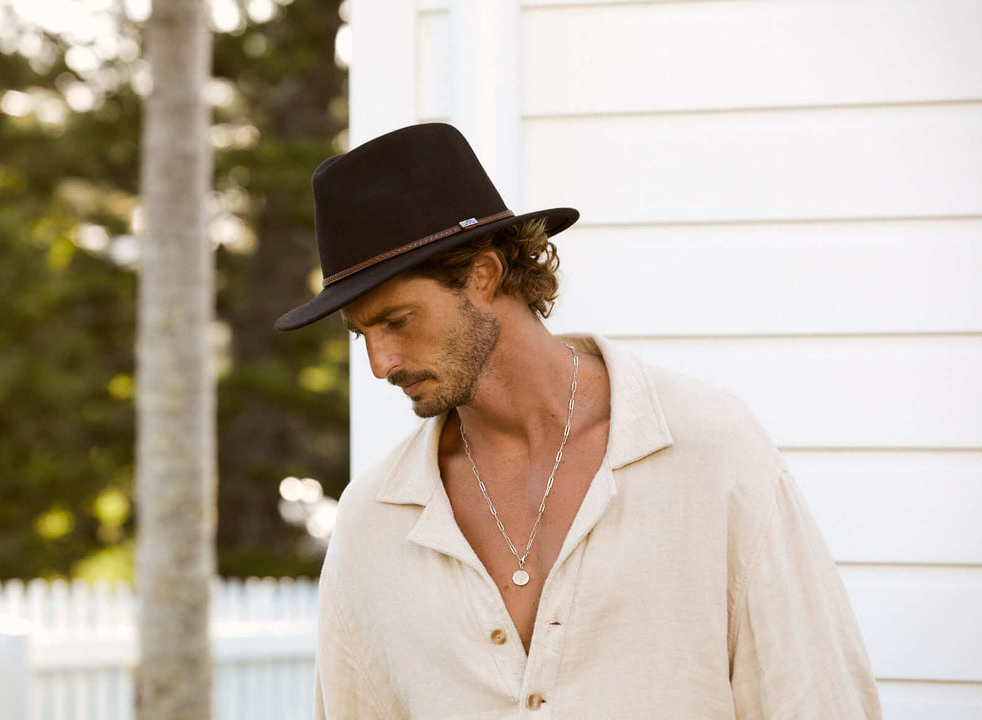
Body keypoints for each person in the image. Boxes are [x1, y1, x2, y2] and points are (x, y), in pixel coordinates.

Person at [275, 123, 882, 719]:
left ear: (484, 276)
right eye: (363, 335)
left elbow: (815, 696)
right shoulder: (372, 521)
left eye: (398, 320)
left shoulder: (709, 450)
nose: (380, 363)